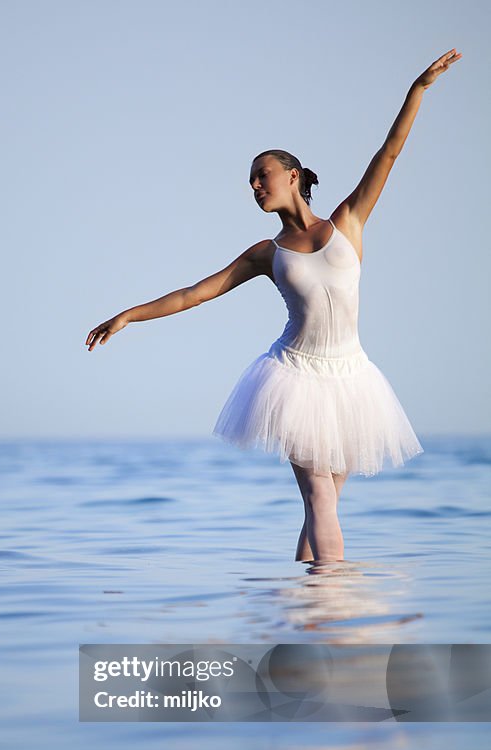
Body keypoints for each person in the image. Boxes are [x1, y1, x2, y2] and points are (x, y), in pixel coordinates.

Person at [85, 49, 462, 563]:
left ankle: (305, 607)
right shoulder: (267, 253)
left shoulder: (348, 221)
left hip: (352, 381)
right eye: (250, 183)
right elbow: (194, 293)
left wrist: (417, 90)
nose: (256, 186)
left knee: (321, 508)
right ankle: (333, 612)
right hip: (295, 379)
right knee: (320, 497)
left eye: (262, 175)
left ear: (293, 176)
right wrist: (128, 314)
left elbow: (389, 153)